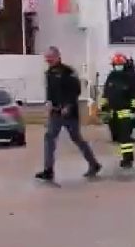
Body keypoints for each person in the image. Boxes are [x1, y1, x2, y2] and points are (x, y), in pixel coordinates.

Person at [36, 46, 101, 181]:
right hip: (55, 112)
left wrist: (68, 105)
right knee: (49, 137)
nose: (47, 60)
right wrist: (48, 102)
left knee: (76, 138)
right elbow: (50, 91)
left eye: (50, 57)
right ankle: (48, 170)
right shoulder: (49, 73)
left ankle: (94, 164)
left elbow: (76, 91)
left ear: (57, 56)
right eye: (46, 58)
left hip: (69, 113)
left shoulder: (68, 72)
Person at [100, 53, 135, 169]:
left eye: (120, 64)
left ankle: (128, 159)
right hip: (113, 113)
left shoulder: (129, 78)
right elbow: (106, 94)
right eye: (116, 64)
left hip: (125, 112)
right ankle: (125, 157)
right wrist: (104, 108)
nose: (118, 66)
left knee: (125, 138)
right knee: (118, 137)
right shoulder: (111, 77)